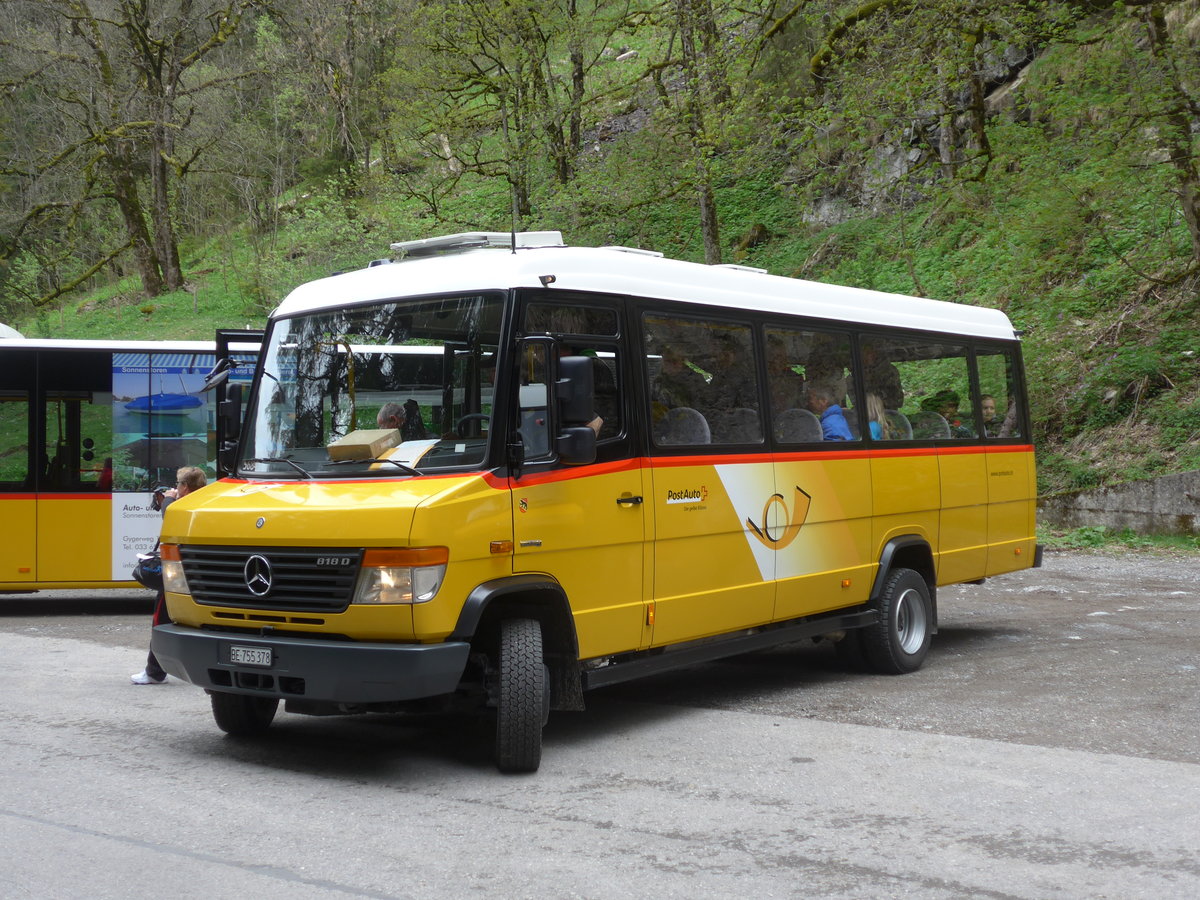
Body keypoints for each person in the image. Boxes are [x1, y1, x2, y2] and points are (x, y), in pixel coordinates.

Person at [131, 466, 207, 685]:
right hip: (197, 574)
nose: (176, 488)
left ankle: (154, 672)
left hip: (178, 575)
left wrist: (167, 500)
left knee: (160, 619)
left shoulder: (183, 505)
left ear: (185, 486)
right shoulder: (205, 500)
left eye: (178, 483)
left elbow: (171, 518)